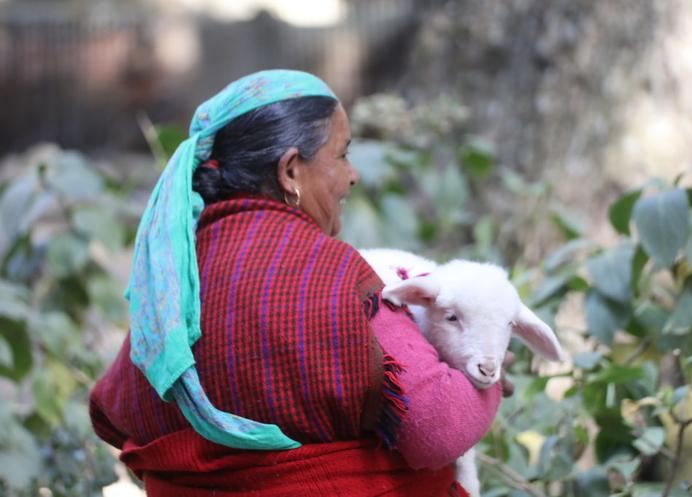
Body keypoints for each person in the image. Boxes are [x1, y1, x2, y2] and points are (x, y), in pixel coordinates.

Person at [89, 70, 511, 497]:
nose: (353, 176)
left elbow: (114, 412)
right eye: (342, 156)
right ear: (290, 171)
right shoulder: (331, 276)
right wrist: (486, 376)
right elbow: (437, 427)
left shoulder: (169, 284)